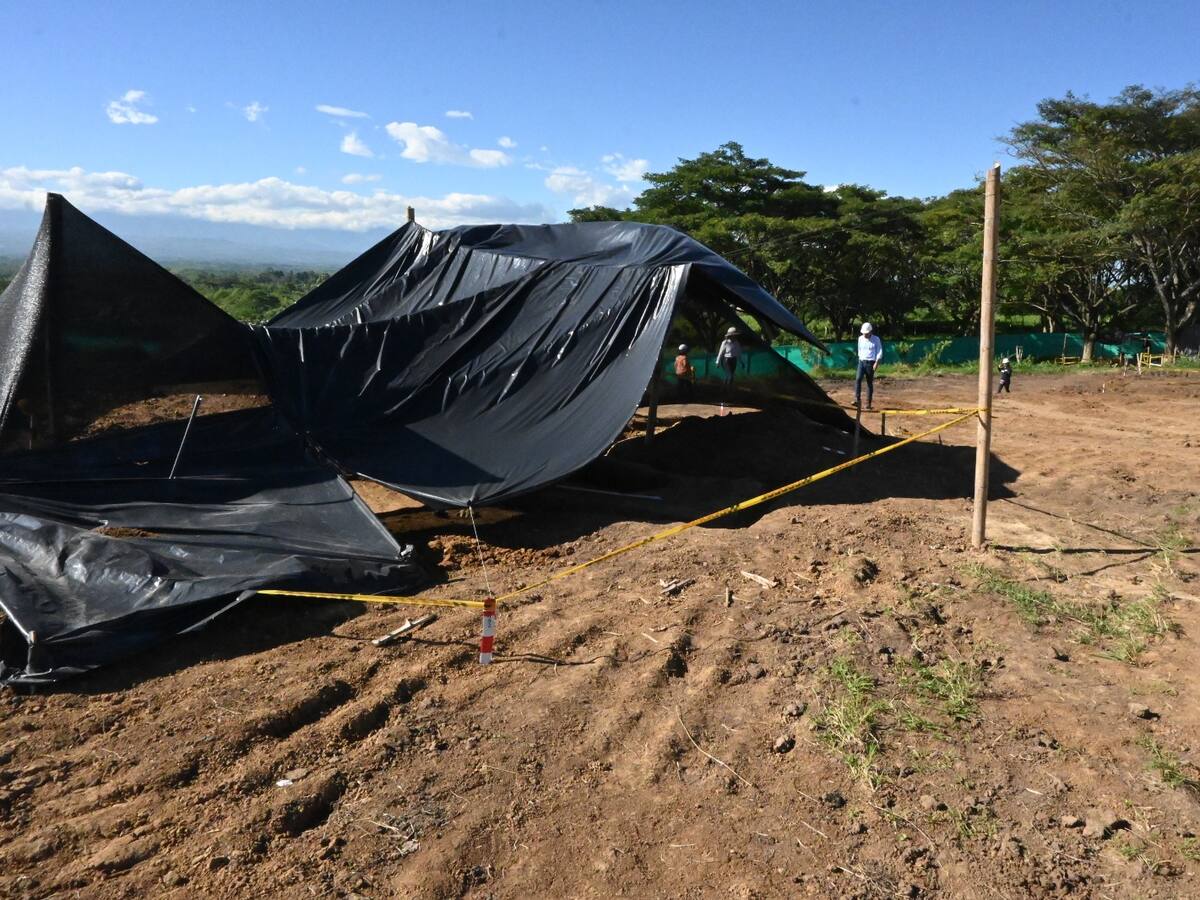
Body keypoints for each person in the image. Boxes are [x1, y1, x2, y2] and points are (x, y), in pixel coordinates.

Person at [855, 322, 883, 409]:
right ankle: (857, 400)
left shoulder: (876, 339)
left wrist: (876, 362)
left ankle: (868, 404)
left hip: (871, 363)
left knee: (869, 383)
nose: (865, 334)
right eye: (863, 333)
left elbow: (879, 351)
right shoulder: (860, 339)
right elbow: (859, 349)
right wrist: (860, 359)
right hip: (861, 362)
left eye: (866, 333)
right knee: (858, 379)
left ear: (870, 331)